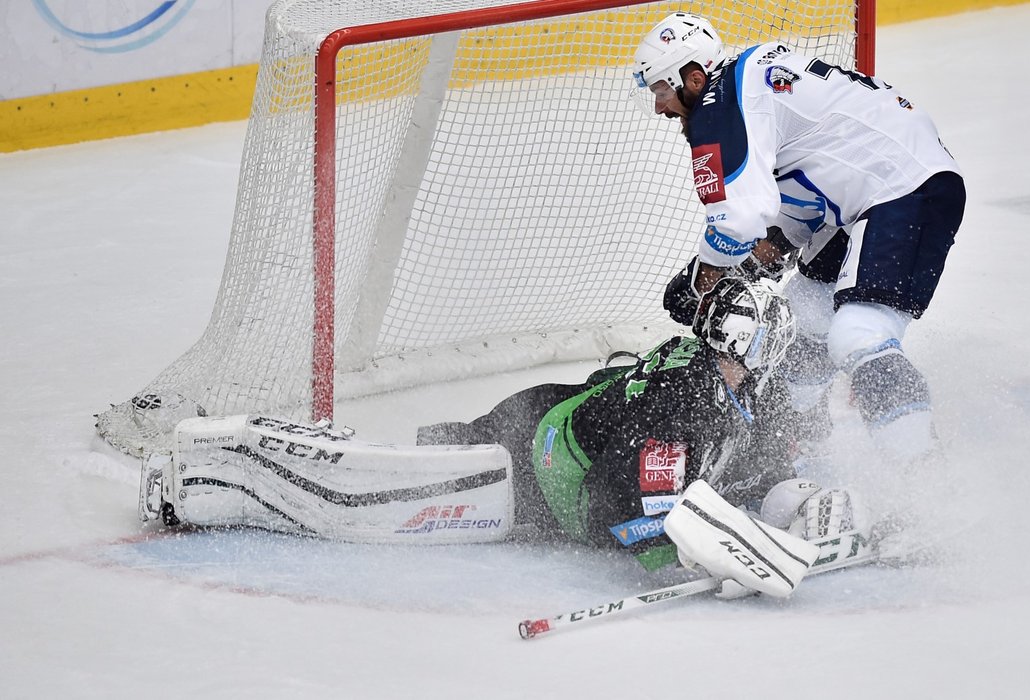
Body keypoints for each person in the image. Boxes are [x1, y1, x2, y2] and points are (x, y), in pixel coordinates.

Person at [139, 278, 862, 595]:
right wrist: (681, 558)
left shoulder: (725, 385)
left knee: (435, 450)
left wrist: (802, 498)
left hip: (550, 414)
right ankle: (200, 477)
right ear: (754, 347)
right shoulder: (686, 405)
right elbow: (622, 500)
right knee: (373, 491)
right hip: (532, 480)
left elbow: (763, 453)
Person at [631, 13, 966, 466]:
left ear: (693, 78)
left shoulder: (718, 105)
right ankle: (796, 449)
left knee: (857, 333)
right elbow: (782, 225)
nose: (660, 108)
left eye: (661, 91)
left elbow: (738, 220)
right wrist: (728, 267)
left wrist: (703, 278)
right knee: (806, 315)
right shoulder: (749, 86)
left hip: (902, 187)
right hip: (876, 188)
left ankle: (927, 480)